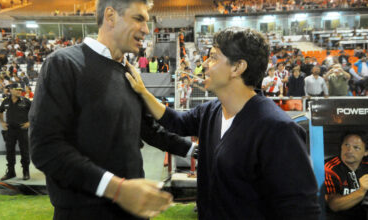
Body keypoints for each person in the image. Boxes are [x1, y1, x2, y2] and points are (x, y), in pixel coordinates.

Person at [126, 27, 320, 219]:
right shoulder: (211, 111)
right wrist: (143, 92)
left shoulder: (277, 129)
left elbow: (301, 209)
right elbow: (176, 122)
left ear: (237, 67)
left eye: (213, 57)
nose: (205, 64)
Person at [29, 0, 194, 219]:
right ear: (110, 16)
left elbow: (150, 130)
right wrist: (117, 189)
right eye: (138, 19)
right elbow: (45, 148)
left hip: (133, 210)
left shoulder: (129, 72)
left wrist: (196, 151)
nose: (146, 29)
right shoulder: (64, 64)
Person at [325, 131, 368, 220]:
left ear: (366, 152)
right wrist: (361, 191)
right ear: (341, 146)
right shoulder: (330, 167)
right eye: (346, 145)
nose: (349, 150)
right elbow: (334, 205)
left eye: (356, 147)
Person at [0, 83, 31, 181]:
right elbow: (0, 111)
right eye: (17, 89)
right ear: (11, 90)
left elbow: (35, 112)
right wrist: (2, 122)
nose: (19, 91)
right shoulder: (6, 101)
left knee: (24, 151)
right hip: (10, 130)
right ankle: (11, 172)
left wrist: (29, 122)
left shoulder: (26, 101)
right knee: (9, 151)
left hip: (22, 129)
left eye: (20, 89)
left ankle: (26, 171)